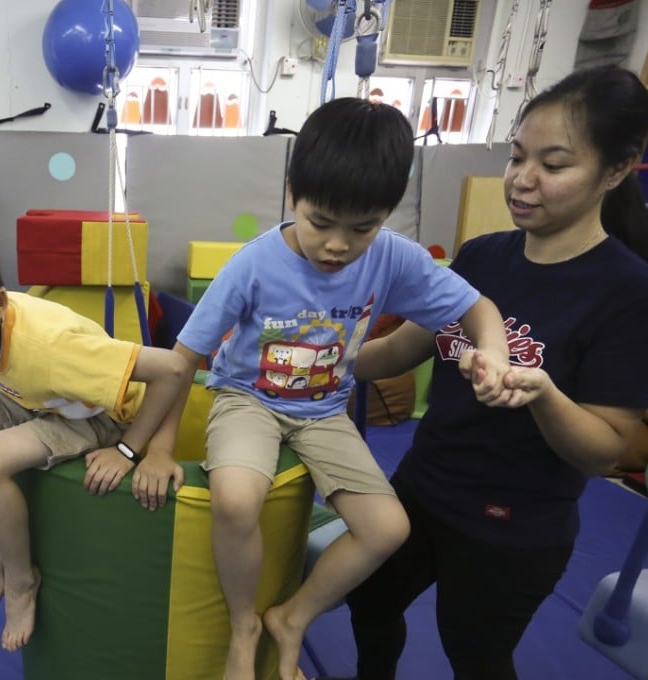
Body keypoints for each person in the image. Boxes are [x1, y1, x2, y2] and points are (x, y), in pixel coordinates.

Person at [157, 97, 513, 680]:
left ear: (386, 214)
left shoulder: (392, 257)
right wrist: (161, 446)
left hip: (323, 410)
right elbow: (184, 356)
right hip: (249, 397)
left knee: (388, 529)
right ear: (293, 192)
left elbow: (478, 307)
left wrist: (493, 356)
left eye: (362, 228)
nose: (338, 246)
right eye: (321, 222)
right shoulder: (254, 265)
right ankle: (244, 625)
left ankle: (292, 618)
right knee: (238, 499)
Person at [344, 64, 648, 680]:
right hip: (422, 490)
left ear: (615, 172)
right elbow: (405, 348)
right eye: (516, 157)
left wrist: (541, 394)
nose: (522, 180)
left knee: (474, 653)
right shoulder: (483, 255)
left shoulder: (627, 291)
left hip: (511, 526)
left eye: (553, 165)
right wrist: (328, 355)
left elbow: (606, 449)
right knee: (368, 600)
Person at [0, 223, 189, 652]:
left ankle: (23, 581)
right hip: (39, 398)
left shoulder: (50, 348)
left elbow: (175, 369)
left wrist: (132, 448)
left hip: (99, 415)